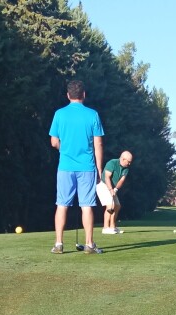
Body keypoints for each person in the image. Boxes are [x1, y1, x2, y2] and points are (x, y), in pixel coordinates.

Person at [49, 80, 104, 254]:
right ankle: (89, 244)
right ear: (84, 95)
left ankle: (59, 244)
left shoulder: (59, 114)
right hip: (87, 167)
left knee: (62, 204)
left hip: (65, 166)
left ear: (68, 95)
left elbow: (54, 142)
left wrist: (63, 148)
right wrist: (99, 169)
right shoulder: (93, 115)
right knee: (86, 205)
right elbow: (98, 144)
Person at [100, 151, 133, 235]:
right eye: (128, 161)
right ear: (123, 159)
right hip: (103, 184)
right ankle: (105, 228)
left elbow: (121, 180)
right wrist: (110, 189)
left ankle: (112, 227)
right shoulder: (112, 163)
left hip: (113, 188)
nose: (129, 163)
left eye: (130, 162)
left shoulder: (126, 169)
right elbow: (107, 177)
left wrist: (115, 189)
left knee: (117, 206)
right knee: (110, 205)